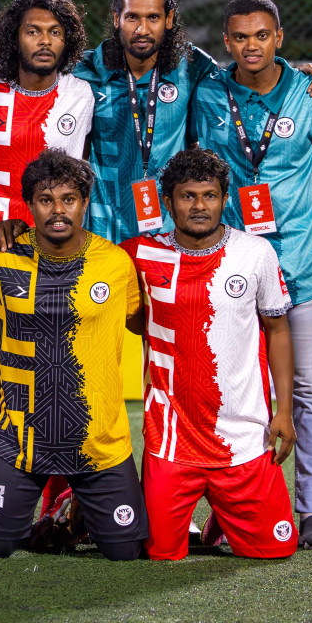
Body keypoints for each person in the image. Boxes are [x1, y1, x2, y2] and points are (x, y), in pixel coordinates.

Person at [189, 0, 312, 552]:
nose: (250, 46)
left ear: (278, 38)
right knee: (236, 392)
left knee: (308, 389)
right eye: (239, 37)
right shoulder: (209, 93)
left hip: (304, 265)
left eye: (261, 35)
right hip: (234, 270)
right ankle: (235, 510)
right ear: (226, 43)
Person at [0, 150, 147, 561]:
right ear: (29, 205)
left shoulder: (116, 265)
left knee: (127, 554)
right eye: (46, 200)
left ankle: (72, 512)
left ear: (84, 203)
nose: (58, 210)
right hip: (18, 439)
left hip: (98, 443)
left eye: (69, 199)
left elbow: (143, 323)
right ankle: (55, 517)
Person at [61, 0, 312, 245]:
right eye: (133, 17)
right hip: (103, 229)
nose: (142, 29)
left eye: (153, 18)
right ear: (116, 18)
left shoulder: (193, 67)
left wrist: (298, 75)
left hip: (171, 233)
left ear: (168, 20)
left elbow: (243, 79)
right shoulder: (84, 72)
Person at [122, 149, 298, 561]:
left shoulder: (256, 253)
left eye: (210, 195)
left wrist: (284, 411)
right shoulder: (137, 255)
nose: (199, 206)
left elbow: (278, 330)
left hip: (242, 437)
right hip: (171, 438)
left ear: (224, 199)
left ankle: (223, 512)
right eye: (188, 196)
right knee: (160, 553)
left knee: (275, 550)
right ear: (168, 202)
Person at [0, 0, 94, 491]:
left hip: (56, 256)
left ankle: (55, 508)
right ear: (15, 36)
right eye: (33, 30)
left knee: (60, 382)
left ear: (68, 40)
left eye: (55, 32)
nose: (44, 40)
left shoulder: (81, 94)